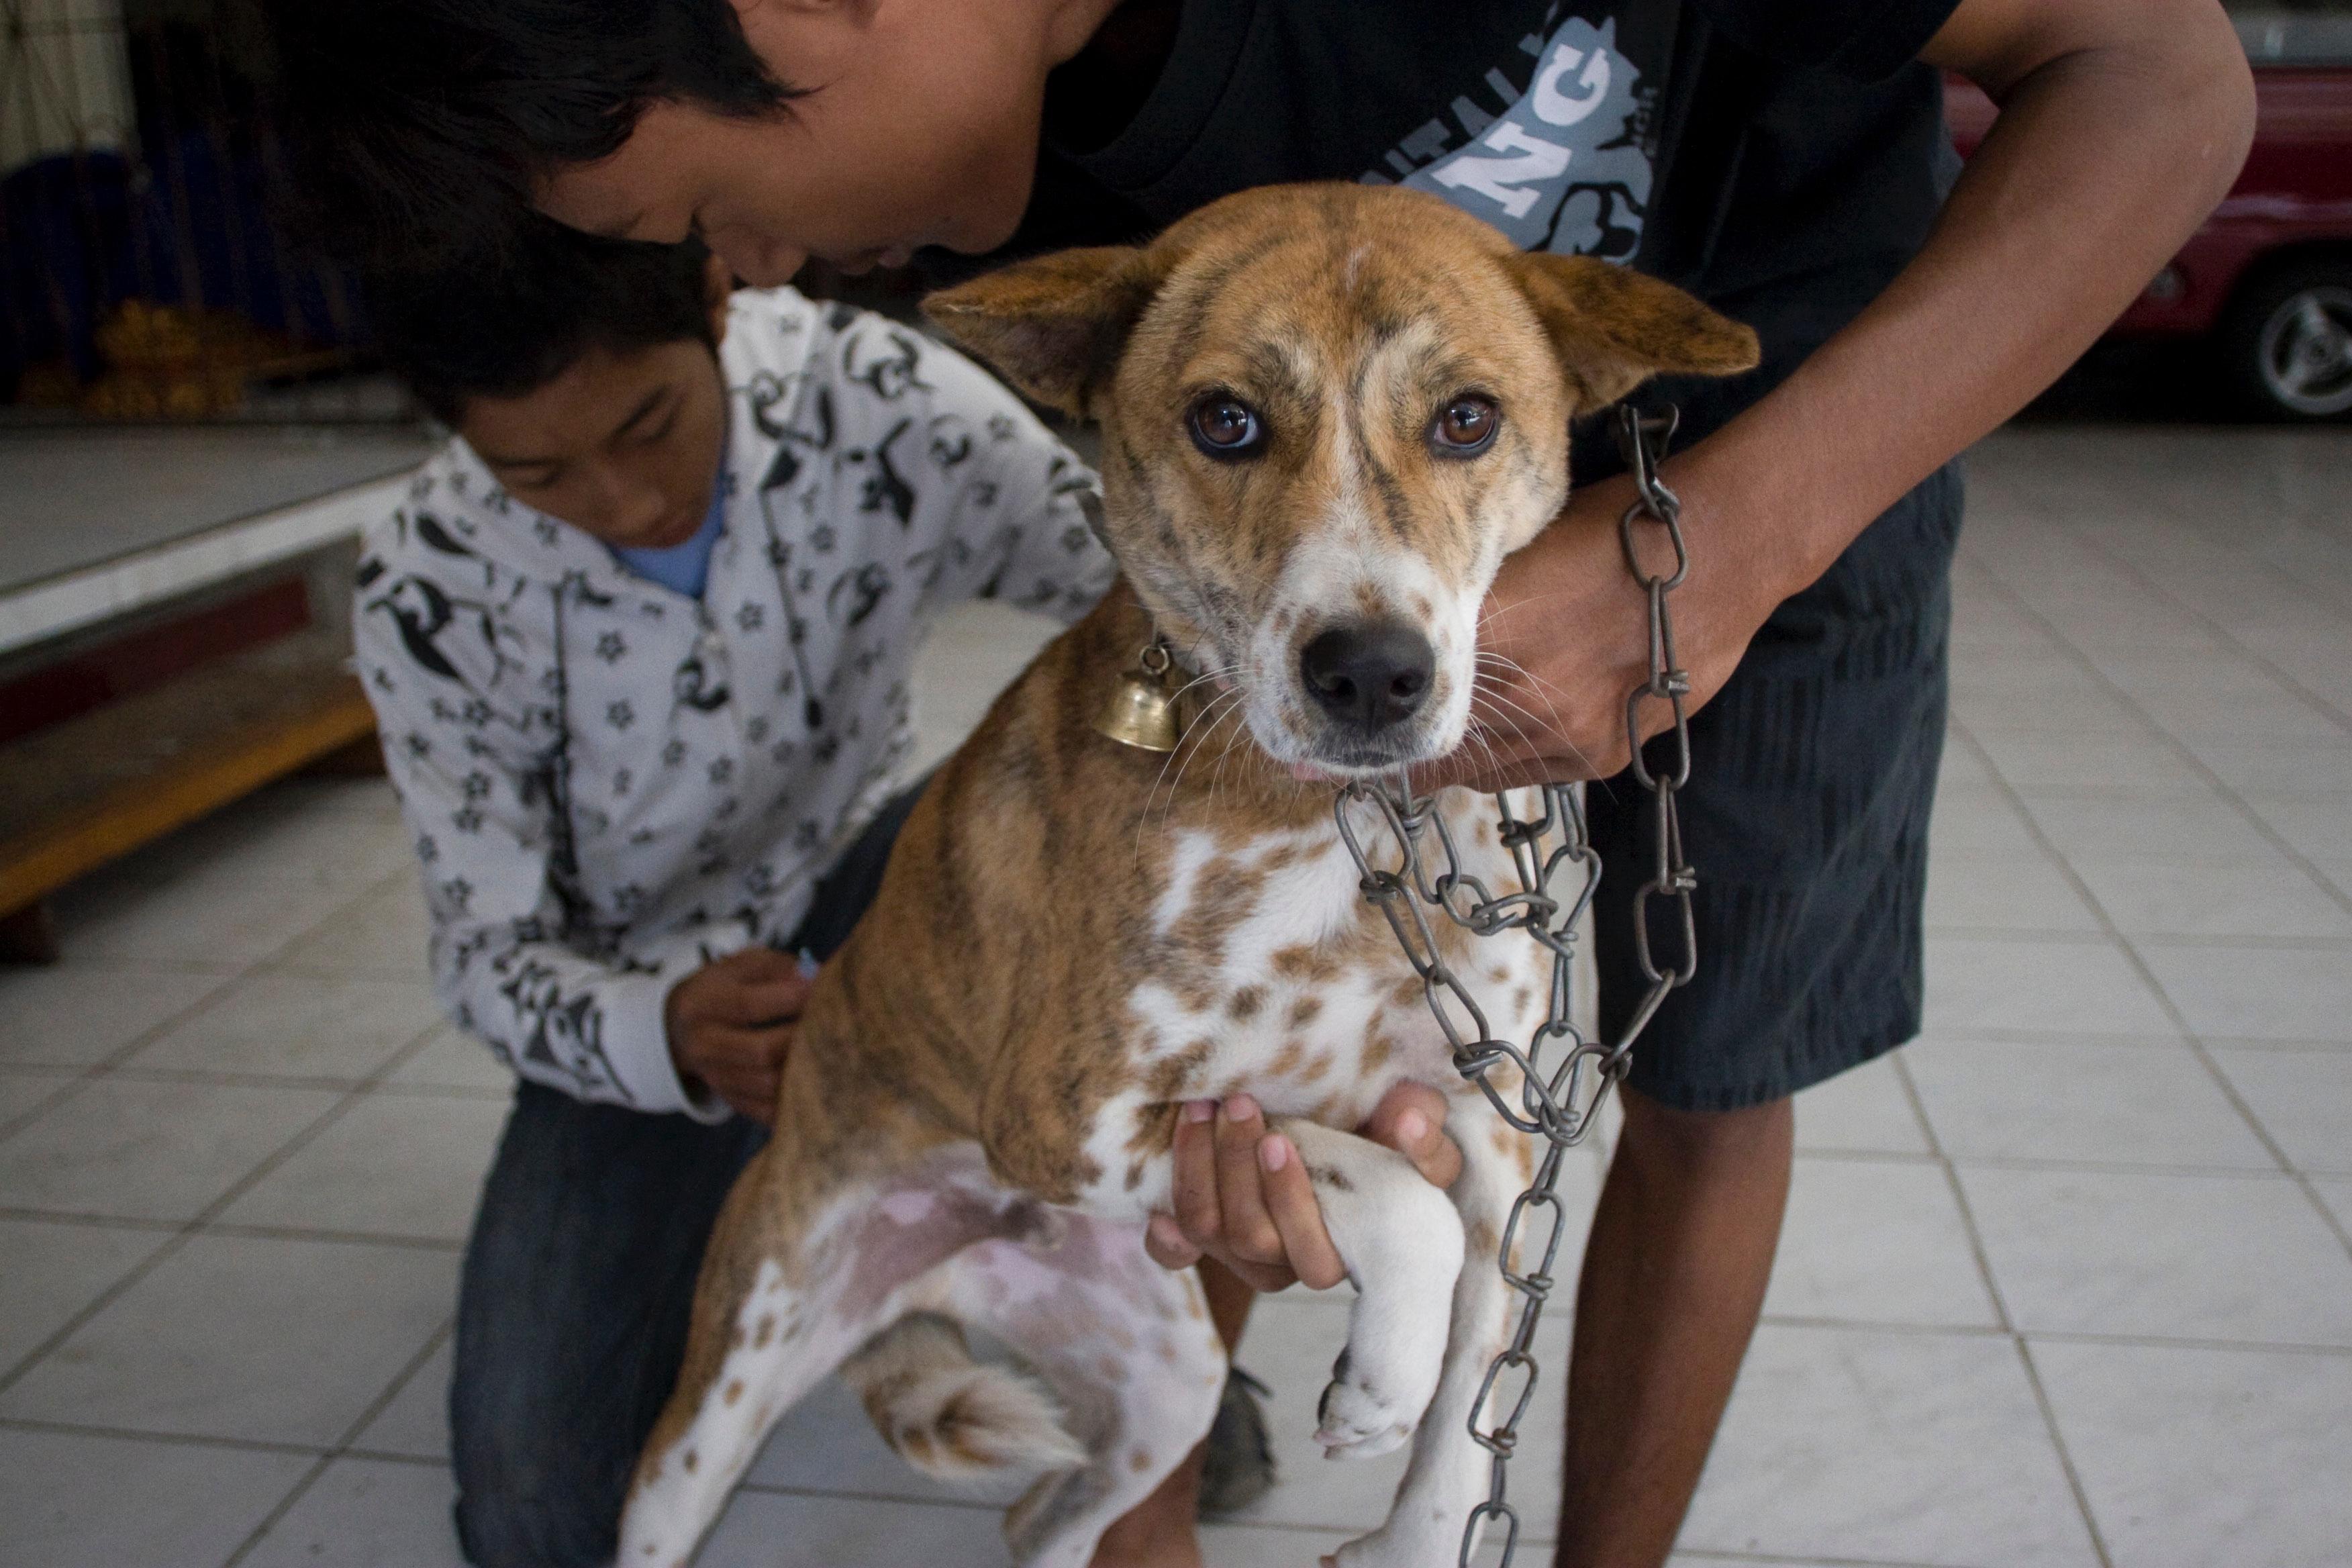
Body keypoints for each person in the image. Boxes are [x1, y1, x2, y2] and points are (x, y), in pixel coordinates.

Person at [277, 1, 2257, 1565]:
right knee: (1195, 1098)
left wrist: (1727, 547)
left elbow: (2159, 74)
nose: (750, 279)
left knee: (1722, 1055)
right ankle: (1147, 1505)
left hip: (1832, 398)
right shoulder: (911, 279)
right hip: (766, 998)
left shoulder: (845, 370)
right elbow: (1129, 648)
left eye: (709, 228)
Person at [352, 222, 1141, 1565]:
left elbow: (1149, 605)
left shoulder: (871, 399)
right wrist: (662, 1033)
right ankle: (819, 1222)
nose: (617, 500)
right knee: (534, 1509)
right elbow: (485, 954)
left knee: (1177, 1438)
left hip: (883, 907)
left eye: (651, 424)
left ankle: (1078, 1251)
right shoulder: (429, 583)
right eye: (535, 470)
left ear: (717, 297)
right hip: (648, 1010)